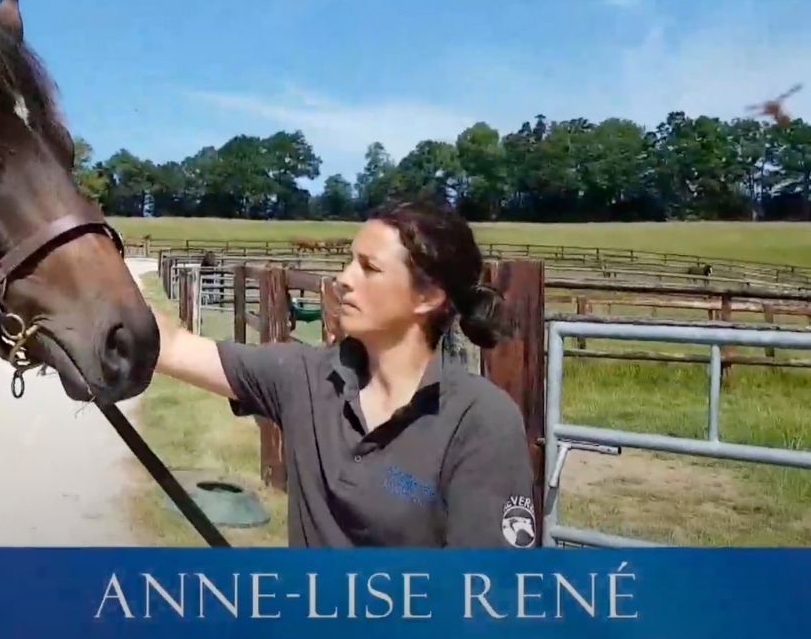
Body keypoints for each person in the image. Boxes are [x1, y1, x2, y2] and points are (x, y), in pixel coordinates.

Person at [149, 201, 537, 548]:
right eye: (350, 261)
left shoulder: (479, 420)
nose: (343, 278)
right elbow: (170, 345)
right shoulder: (302, 379)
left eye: (369, 267)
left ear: (428, 297)